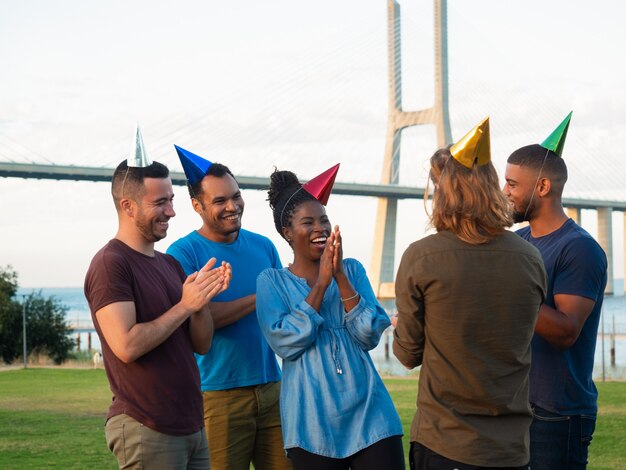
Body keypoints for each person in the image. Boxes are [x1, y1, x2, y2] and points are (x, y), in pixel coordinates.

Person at [393, 117, 547, 469]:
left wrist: (409, 325)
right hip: (512, 449)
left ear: (444, 191)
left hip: (446, 443)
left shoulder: (422, 257)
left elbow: (406, 354)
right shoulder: (530, 258)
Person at [84, 127, 231, 469]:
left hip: (191, 425)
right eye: (160, 202)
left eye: (172, 200)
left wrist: (202, 300)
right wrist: (185, 305)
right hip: (146, 426)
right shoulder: (110, 264)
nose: (171, 212)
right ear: (128, 206)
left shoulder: (169, 264)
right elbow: (127, 346)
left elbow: (202, 344)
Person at [255, 165, 405, 470]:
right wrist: (322, 284)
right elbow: (285, 343)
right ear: (287, 232)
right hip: (311, 422)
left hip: (371, 415)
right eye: (307, 222)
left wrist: (338, 276)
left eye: (324, 220)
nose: (320, 228)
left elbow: (368, 335)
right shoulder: (271, 282)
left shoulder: (352, 270)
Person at [166, 145, 291, 470]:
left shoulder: (263, 246)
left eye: (236, 196)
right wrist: (262, 295)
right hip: (217, 395)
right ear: (197, 205)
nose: (232, 206)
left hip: (273, 387)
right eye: (220, 200)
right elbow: (201, 319)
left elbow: (283, 310)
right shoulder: (183, 254)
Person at [504, 112, 608, 469]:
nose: (505, 193)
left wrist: (508, 291)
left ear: (543, 187)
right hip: (515, 406)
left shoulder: (579, 249)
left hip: (556, 413)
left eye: (512, 184)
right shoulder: (517, 242)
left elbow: (565, 331)